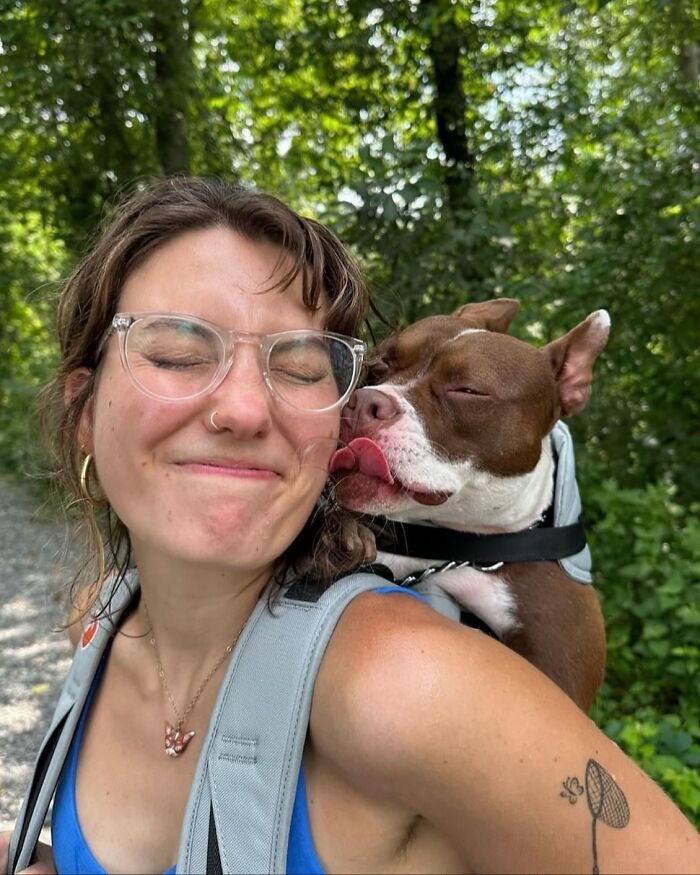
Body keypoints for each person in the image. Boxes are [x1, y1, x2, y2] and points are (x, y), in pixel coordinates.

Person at [2, 177, 698, 875]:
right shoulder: (101, 616)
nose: (242, 408)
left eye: (297, 365)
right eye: (178, 354)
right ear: (84, 410)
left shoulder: (405, 683)